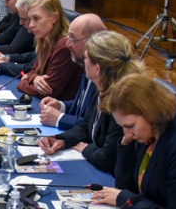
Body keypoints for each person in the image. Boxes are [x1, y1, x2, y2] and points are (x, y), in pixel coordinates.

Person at [91, 72, 176, 209]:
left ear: (149, 112)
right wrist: (125, 145)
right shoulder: (149, 134)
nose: (127, 132)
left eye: (130, 126)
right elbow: (125, 188)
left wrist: (125, 199)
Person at [38, 30, 144, 173]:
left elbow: (108, 159)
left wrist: (86, 148)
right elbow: (86, 125)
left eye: (86, 58)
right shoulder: (101, 87)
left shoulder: (123, 102)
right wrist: (62, 140)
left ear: (97, 68)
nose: (83, 62)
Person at [39, 12, 107, 129]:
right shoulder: (85, 64)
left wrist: (60, 119)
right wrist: (61, 105)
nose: (67, 44)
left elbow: (94, 127)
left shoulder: (104, 76)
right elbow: (83, 106)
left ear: (91, 41)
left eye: (72, 38)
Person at [16, 0, 79, 100]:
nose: (31, 25)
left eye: (36, 18)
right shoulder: (44, 40)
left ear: (54, 18)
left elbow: (48, 92)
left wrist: (23, 84)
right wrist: (35, 78)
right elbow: (32, 70)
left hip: (63, 110)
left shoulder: (64, 46)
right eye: (30, 19)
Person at [0, 0, 42, 73]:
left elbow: (29, 68)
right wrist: (7, 58)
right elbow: (33, 56)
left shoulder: (55, 41)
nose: (20, 23)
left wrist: (0, 65)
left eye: (24, 19)